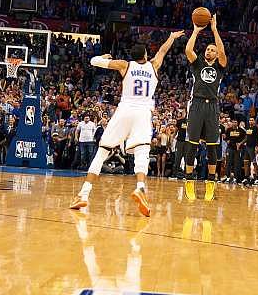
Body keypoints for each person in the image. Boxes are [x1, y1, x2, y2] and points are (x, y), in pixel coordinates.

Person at [69, 30, 185, 216]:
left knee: (102, 152)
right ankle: (140, 187)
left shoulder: (124, 65)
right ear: (146, 55)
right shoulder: (154, 65)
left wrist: (103, 56)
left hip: (124, 111)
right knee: (142, 153)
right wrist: (171, 37)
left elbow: (94, 62)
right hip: (143, 113)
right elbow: (163, 51)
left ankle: (83, 194)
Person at [183, 14, 227, 201]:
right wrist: (196, 31)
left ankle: (211, 181)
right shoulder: (198, 63)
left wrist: (215, 29)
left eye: (212, 50)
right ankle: (189, 180)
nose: (209, 51)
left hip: (212, 106)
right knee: (192, 143)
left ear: (216, 55)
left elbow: (223, 51)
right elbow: (188, 49)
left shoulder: (220, 65)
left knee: (212, 146)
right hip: (197, 104)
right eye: (208, 49)